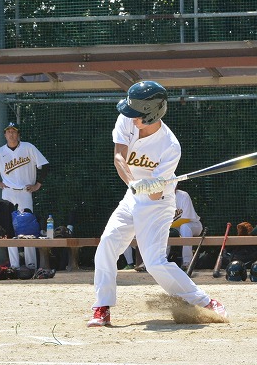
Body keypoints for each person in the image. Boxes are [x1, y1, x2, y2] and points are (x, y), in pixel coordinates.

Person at [87, 81, 226, 327]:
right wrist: (134, 183)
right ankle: (102, 307)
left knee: (154, 262)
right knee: (107, 243)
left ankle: (205, 302)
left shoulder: (170, 146)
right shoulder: (126, 119)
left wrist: (151, 186)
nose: (130, 117)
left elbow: (154, 195)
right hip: (132, 196)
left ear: (152, 114)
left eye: (136, 114)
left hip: (158, 204)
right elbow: (119, 157)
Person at [0, 122, 50, 270]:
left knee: (28, 227)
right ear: (5, 135)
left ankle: (31, 264)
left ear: (18, 134)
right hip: (8, 192)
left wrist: (38, 184)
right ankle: (14, 265)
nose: (11, 134)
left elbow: (45, 165)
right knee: (9, 227)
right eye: (8, 132)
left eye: (14, 131)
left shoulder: (28, 147)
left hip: (25, 191)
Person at [172, 189, 202, 270]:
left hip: (193, 225)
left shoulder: (183, 195)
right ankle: (159, 261)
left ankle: (187, 261)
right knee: (163, 232)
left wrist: (168, 226)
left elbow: (186, 219)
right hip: (175, 227)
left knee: (184, 227)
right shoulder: (161, 198)